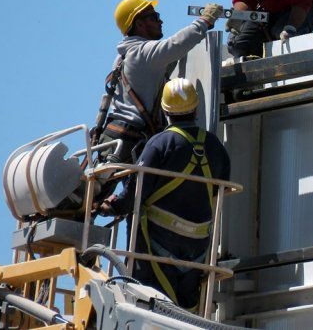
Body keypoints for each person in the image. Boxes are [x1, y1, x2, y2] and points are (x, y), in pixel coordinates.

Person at [98, 78, 231, 310]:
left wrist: (112, 206)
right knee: (186, 309)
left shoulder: (159, 144)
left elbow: (135, 192)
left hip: (155, 244)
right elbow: (223, 187)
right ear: (196, 108)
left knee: (154, 305)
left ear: (164, 110)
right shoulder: (214, 146)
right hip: (197, 247)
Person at [96, 0, 223, 171]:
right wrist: (204, 21)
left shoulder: (124, 56)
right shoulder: (142, 53)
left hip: (121, 137)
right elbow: (176, 44)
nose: (160, 21)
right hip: (133, 138)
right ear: (139, 24)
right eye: (154, 17)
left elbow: (163, 60)